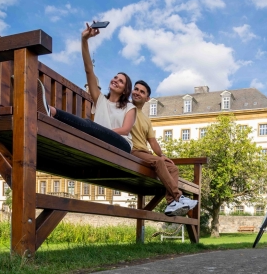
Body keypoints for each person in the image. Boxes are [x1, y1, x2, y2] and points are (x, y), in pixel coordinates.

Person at [37, 23, 136, 153]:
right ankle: (48, 110)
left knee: (89, 125)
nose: (116, 80)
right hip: (99, 141)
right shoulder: (100, 100)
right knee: (83, 130)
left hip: (122, 144)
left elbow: (125, 130)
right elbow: (89, 70)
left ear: (125, 90)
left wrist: (98, 132)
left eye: (121, 81)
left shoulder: (129, 107)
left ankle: (52, 111)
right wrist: (84, 40)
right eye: (115, 77)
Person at [130, 80, 198, 216]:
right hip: (132, 151)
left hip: (144, 152)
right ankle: (179, 197)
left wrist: (161, 155)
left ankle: (171, 203)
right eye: (136, 89)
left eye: (141, 91)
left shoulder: (146, 119)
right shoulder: (125, 108)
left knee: (172, 167)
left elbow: (153, 141)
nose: (137, 92)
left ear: (147, 98)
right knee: (159, 162)